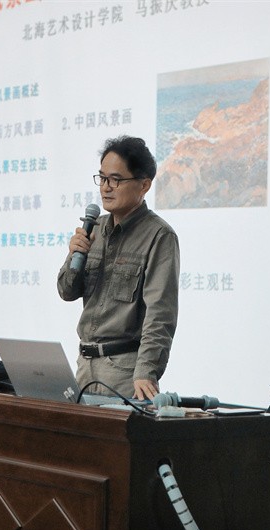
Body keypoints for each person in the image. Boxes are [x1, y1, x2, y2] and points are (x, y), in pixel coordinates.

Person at [57, 136, 180, 401]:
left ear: (144, 185)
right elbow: (66, 291)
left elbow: (160, 313)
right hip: (84, 366)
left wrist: (146, 371)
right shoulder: (94, 229)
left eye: (115, 180)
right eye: (102, 178)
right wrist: (75, 256)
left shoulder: (158, 236)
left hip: (125, 372)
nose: (106, 188)